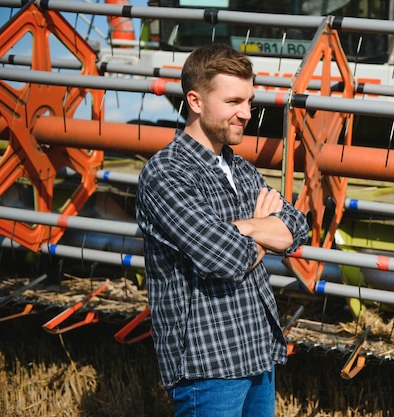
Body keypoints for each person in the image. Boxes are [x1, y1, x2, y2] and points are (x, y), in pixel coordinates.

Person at [135, 43, 309, 417]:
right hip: (208, 364)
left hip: (258, 351)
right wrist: (262, 231)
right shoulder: (166, 174)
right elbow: (226, 258)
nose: (246, 113)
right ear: (196, 101)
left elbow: (296, 227)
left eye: (249, 102)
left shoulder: (242, 168)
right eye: (233, 102)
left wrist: (240, 228)